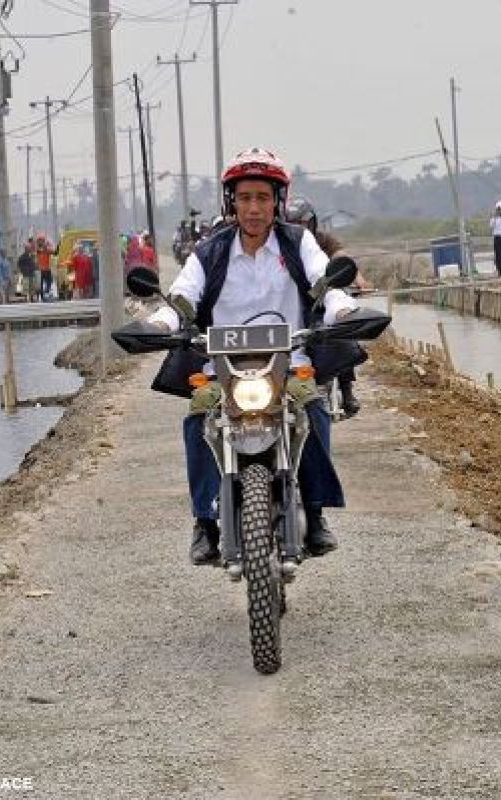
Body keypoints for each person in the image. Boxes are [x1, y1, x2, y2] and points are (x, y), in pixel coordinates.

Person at [146, 147, 357, 565]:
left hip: (290, 363)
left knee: (312, 408)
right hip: (221, 369)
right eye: (245, 198)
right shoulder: (210, 252)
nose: (254, 208)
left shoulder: (299, 243)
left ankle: (314, 514)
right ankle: (205, 522)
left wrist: (344, 309)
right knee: (198, 418)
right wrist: (160, 324)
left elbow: (324, 283)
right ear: (231, 202)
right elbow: (183, 297)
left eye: (262, 197)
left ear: (277, 202)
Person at [285, 195, 365, 418]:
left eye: (301, 224)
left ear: (311, 222)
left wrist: (358, 278)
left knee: (342, 333)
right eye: (292, 224)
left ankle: (347, 391)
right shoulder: (279, 243)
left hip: (320, 302)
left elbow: (341, 257)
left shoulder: (321, 241)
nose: (298, 229)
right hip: (290, 306)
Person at [35, 235, 55, 301]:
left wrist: (47, 246)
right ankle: (41, 296)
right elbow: (36, 250)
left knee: (49, 282)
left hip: (47, 269)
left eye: (42, 240)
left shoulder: (47, 250)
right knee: (40, 284)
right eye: (40, 240)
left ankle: (46, 293)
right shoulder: (38, 250)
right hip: (40, 270)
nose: (41, 242)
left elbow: (53, 252)